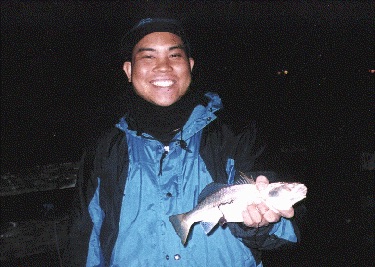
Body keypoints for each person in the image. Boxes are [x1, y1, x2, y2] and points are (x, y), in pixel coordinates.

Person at [64, 18, 302, 267]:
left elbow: (287, 231)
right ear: (128, 70)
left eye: (174, 56)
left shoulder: (236, 135)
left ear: (190, 66)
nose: (164, 67)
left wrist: (259, 226)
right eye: (148, 57)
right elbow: (84, 240)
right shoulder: (104, 149)